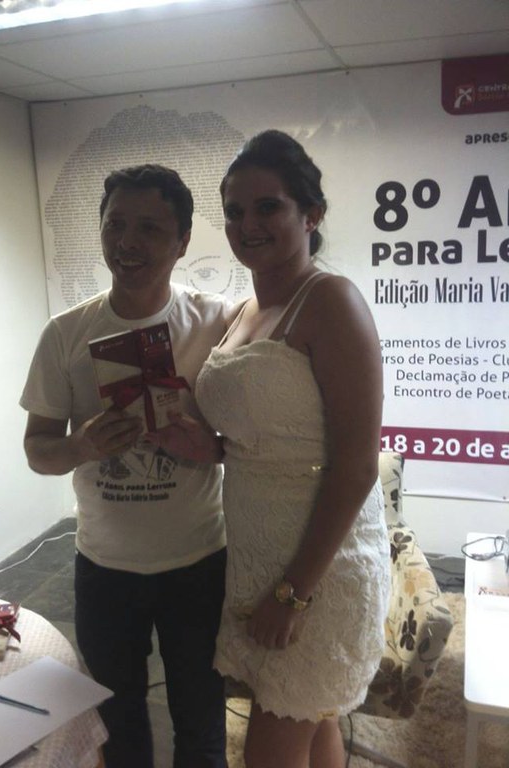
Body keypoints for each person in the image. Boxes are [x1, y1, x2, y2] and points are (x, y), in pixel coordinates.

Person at [150, 131, 391, 768]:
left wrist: (293, 592)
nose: (246, 224)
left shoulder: (331, 301)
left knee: (274, 742)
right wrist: (208, 447)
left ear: (311, 215)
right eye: (234, 211)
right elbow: (267, 439)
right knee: (312, 721)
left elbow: (357, 466)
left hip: (321, 568)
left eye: (268, 207)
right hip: (261, 553)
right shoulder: (247, 309)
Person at [20, 164, 232, 768]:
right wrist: (81, 447)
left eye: (149, 228)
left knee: (202, 725)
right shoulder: (65, 334)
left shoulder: (218, 321)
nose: (127, 242)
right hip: (105, 567)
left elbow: (251, 440)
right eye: (115, 225)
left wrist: (210, 446)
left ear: (182, 241)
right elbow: (37, 451)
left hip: (198, 561)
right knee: (118, 730)